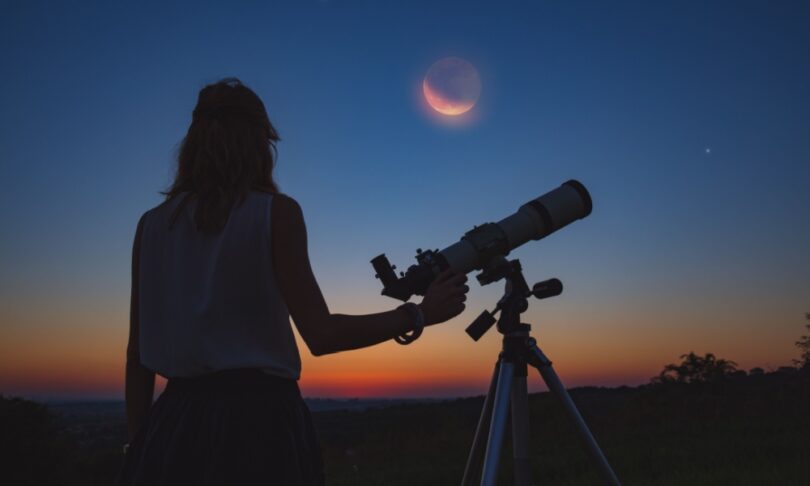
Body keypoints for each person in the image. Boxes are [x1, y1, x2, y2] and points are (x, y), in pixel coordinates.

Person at [116, 78, 469, 486]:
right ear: (259, 143)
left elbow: (137, 355)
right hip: (258, 426)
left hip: (174, 425)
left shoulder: (153, 225)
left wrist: (137, 447)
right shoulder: (275, 213)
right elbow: (322, 335)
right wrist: (420, 313)